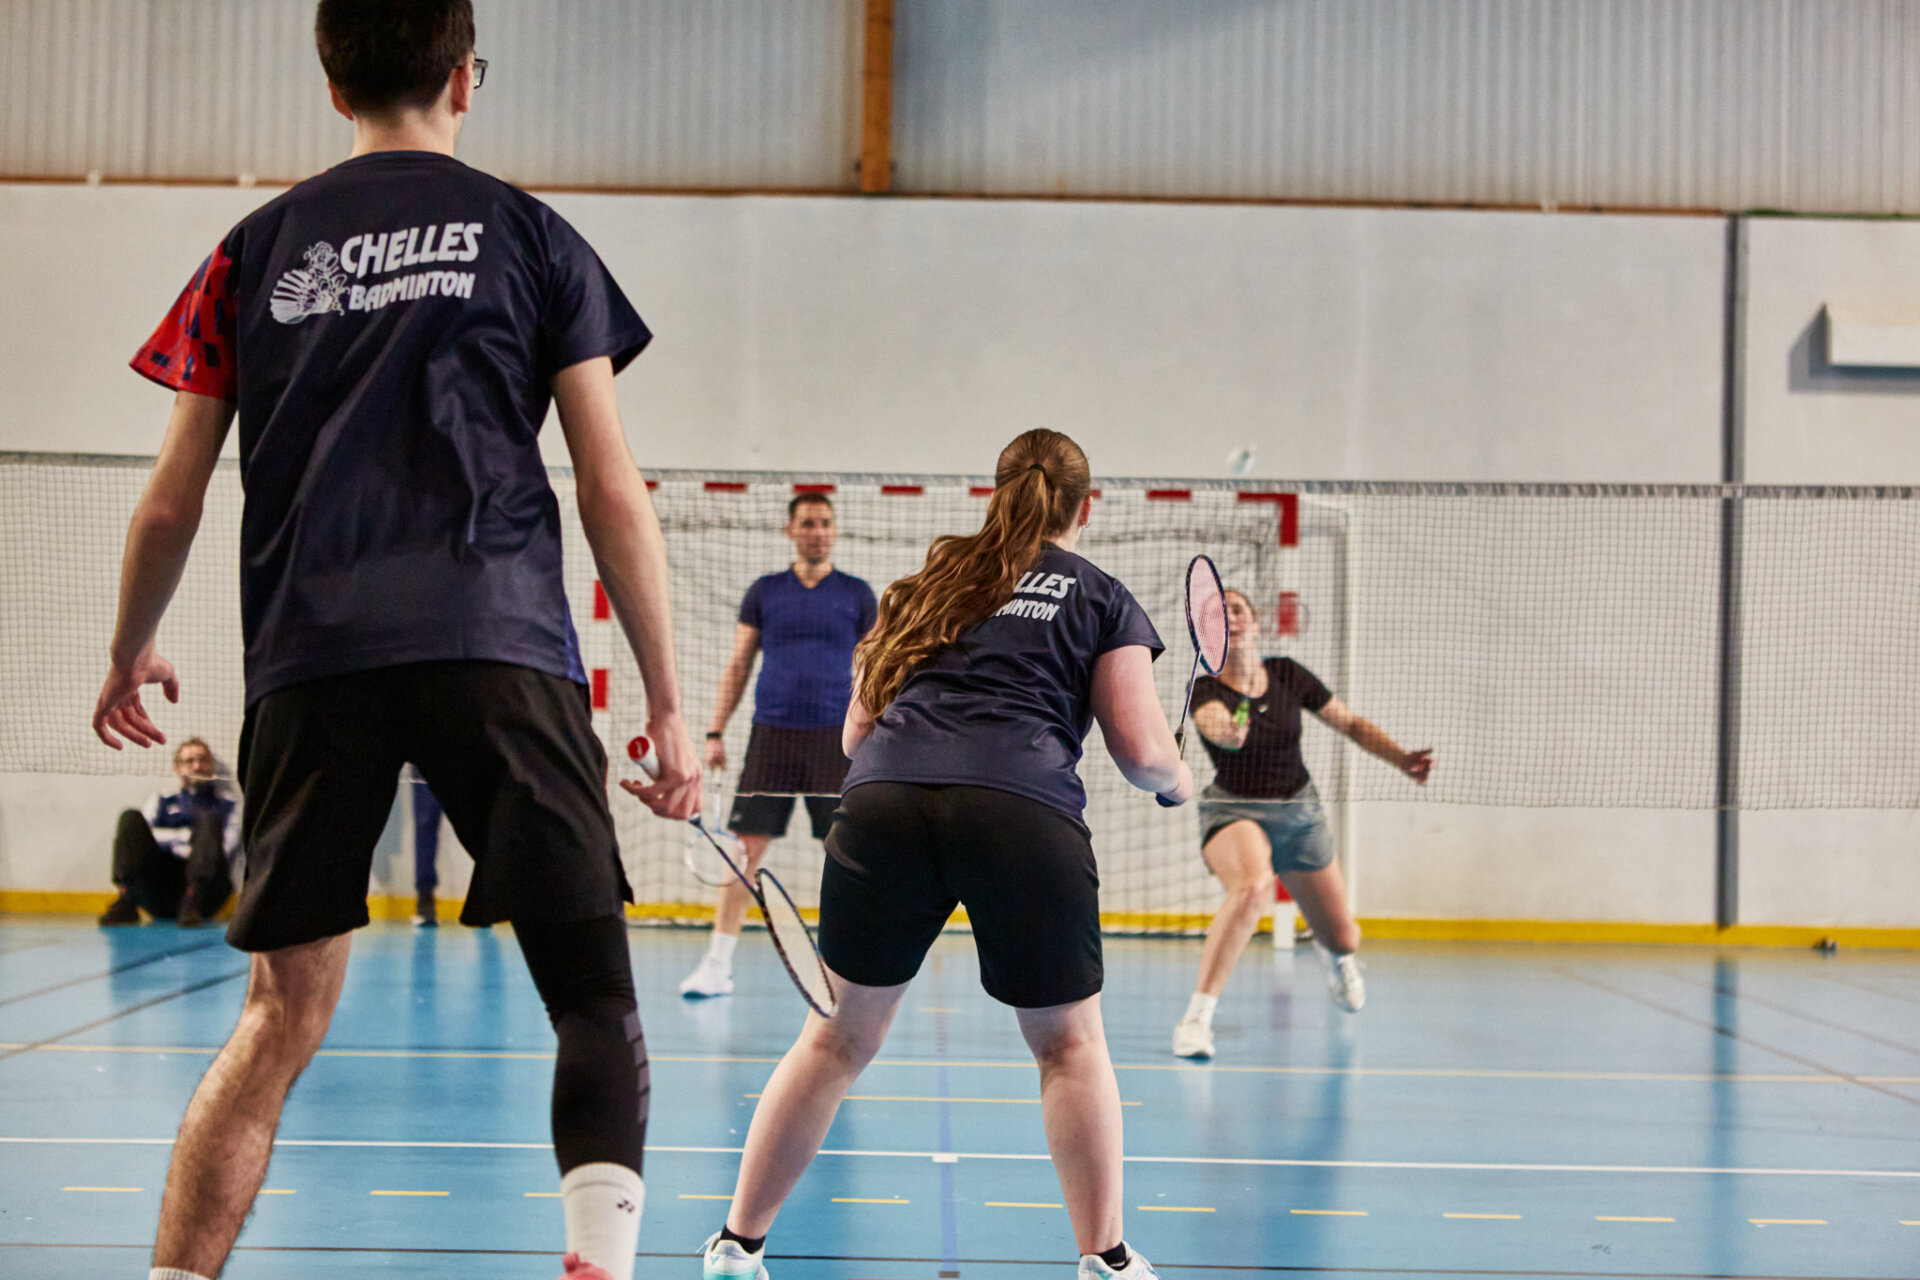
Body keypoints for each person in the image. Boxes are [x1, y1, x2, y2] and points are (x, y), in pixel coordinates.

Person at [89, 6, 699, 1280]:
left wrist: (129, 647)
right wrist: (666, 699)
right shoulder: (533, 235)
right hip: (501, 641)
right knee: (591, 995)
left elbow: (169, 501)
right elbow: (609, 484)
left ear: (332, 84)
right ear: (467, 78)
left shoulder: (252, 250)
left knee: (277, 1016)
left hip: (311, 658)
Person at [701, 429, 1191, 1280]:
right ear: (1086, 508)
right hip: (1020, 810)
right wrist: (1179, 781)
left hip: (884, 802)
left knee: (834, 1040)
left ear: (994, 493)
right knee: (1069, 1046)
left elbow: (854, 735)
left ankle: (736, 1247)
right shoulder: (1101, 596)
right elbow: (1144, 754)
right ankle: (1106, 1259)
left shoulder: (928, 582)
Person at [1171, 589, 1432, 1059]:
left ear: (1255, 623)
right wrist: (1230, 730)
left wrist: (1401, 759)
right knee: (1252, 889)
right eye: (1218, 612)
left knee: (1345, 937)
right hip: (1235, 810)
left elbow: (1351, 724)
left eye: (1238, 609)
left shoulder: (1288, 674)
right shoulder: (1206, 689)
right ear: (1209, 631)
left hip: (1299, 813)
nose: (1230, 616)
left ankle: (1337, 960)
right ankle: (1196, 1019)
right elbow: (1216, 727)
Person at [684, 493, 877, 997]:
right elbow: (738, 663)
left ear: (835, 530)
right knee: (743, 851)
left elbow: (875, 668)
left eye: (825, 523)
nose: (818, 531)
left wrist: (877, 733)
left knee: (845, 855)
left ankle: (847, 972)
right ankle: (717, 964)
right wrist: (714, 731)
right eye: (808, 523)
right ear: (790, 530)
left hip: (835, 741)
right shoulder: (765, 591)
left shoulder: (857, 594)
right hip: (771, 736)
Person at [98, 736, 241, 928]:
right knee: (130, 817)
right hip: (160, 889)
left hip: (205, 895)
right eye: (190, 761)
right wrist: (189, 837)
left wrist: (170, 838)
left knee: (208, 820)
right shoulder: (160, 800)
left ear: (212, 765)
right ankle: (127, 901)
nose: (197, 766)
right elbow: (145, 840)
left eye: (203, 760)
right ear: (177, 768)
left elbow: (224, 848)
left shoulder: (230, 804)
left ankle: (192, 899)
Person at [406, 765, 446, 926]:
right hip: (424, 765)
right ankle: (425, 899)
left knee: (479, 830)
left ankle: (484, 897)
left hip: (465, 759)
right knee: (425, 826)